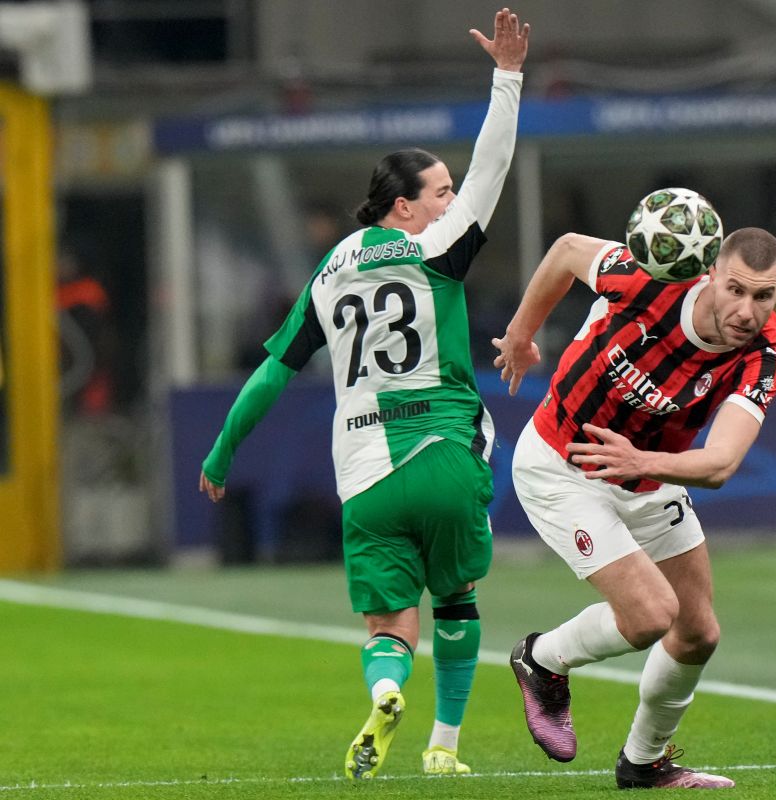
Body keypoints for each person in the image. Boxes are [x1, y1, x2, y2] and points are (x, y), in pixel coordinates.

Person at [197, 8, 530, 778]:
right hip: (445, 451)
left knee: (388, 624)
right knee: (457, 599)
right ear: (403, 206)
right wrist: (506, 78)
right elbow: (494, 168)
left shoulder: (329, 272)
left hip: (367, 474)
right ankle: (444, 750)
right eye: (439, 191)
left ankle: (386, 690)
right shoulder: (436, 249)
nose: (453, 202)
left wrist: (221, 453)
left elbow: (272, 373)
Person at [492, 226, 776, 790]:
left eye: (763, 295)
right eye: (735, 290)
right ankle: (542, 659)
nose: (747, 310)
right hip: (561, 466)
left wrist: (641, 462)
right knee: (652, 614)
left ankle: (644, 763)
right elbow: (565, 251)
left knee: (698, 631)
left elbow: (722, 463)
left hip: (646, 475)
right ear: (710, 275)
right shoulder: (650, 278)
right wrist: (520, 335)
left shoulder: (765, 352)